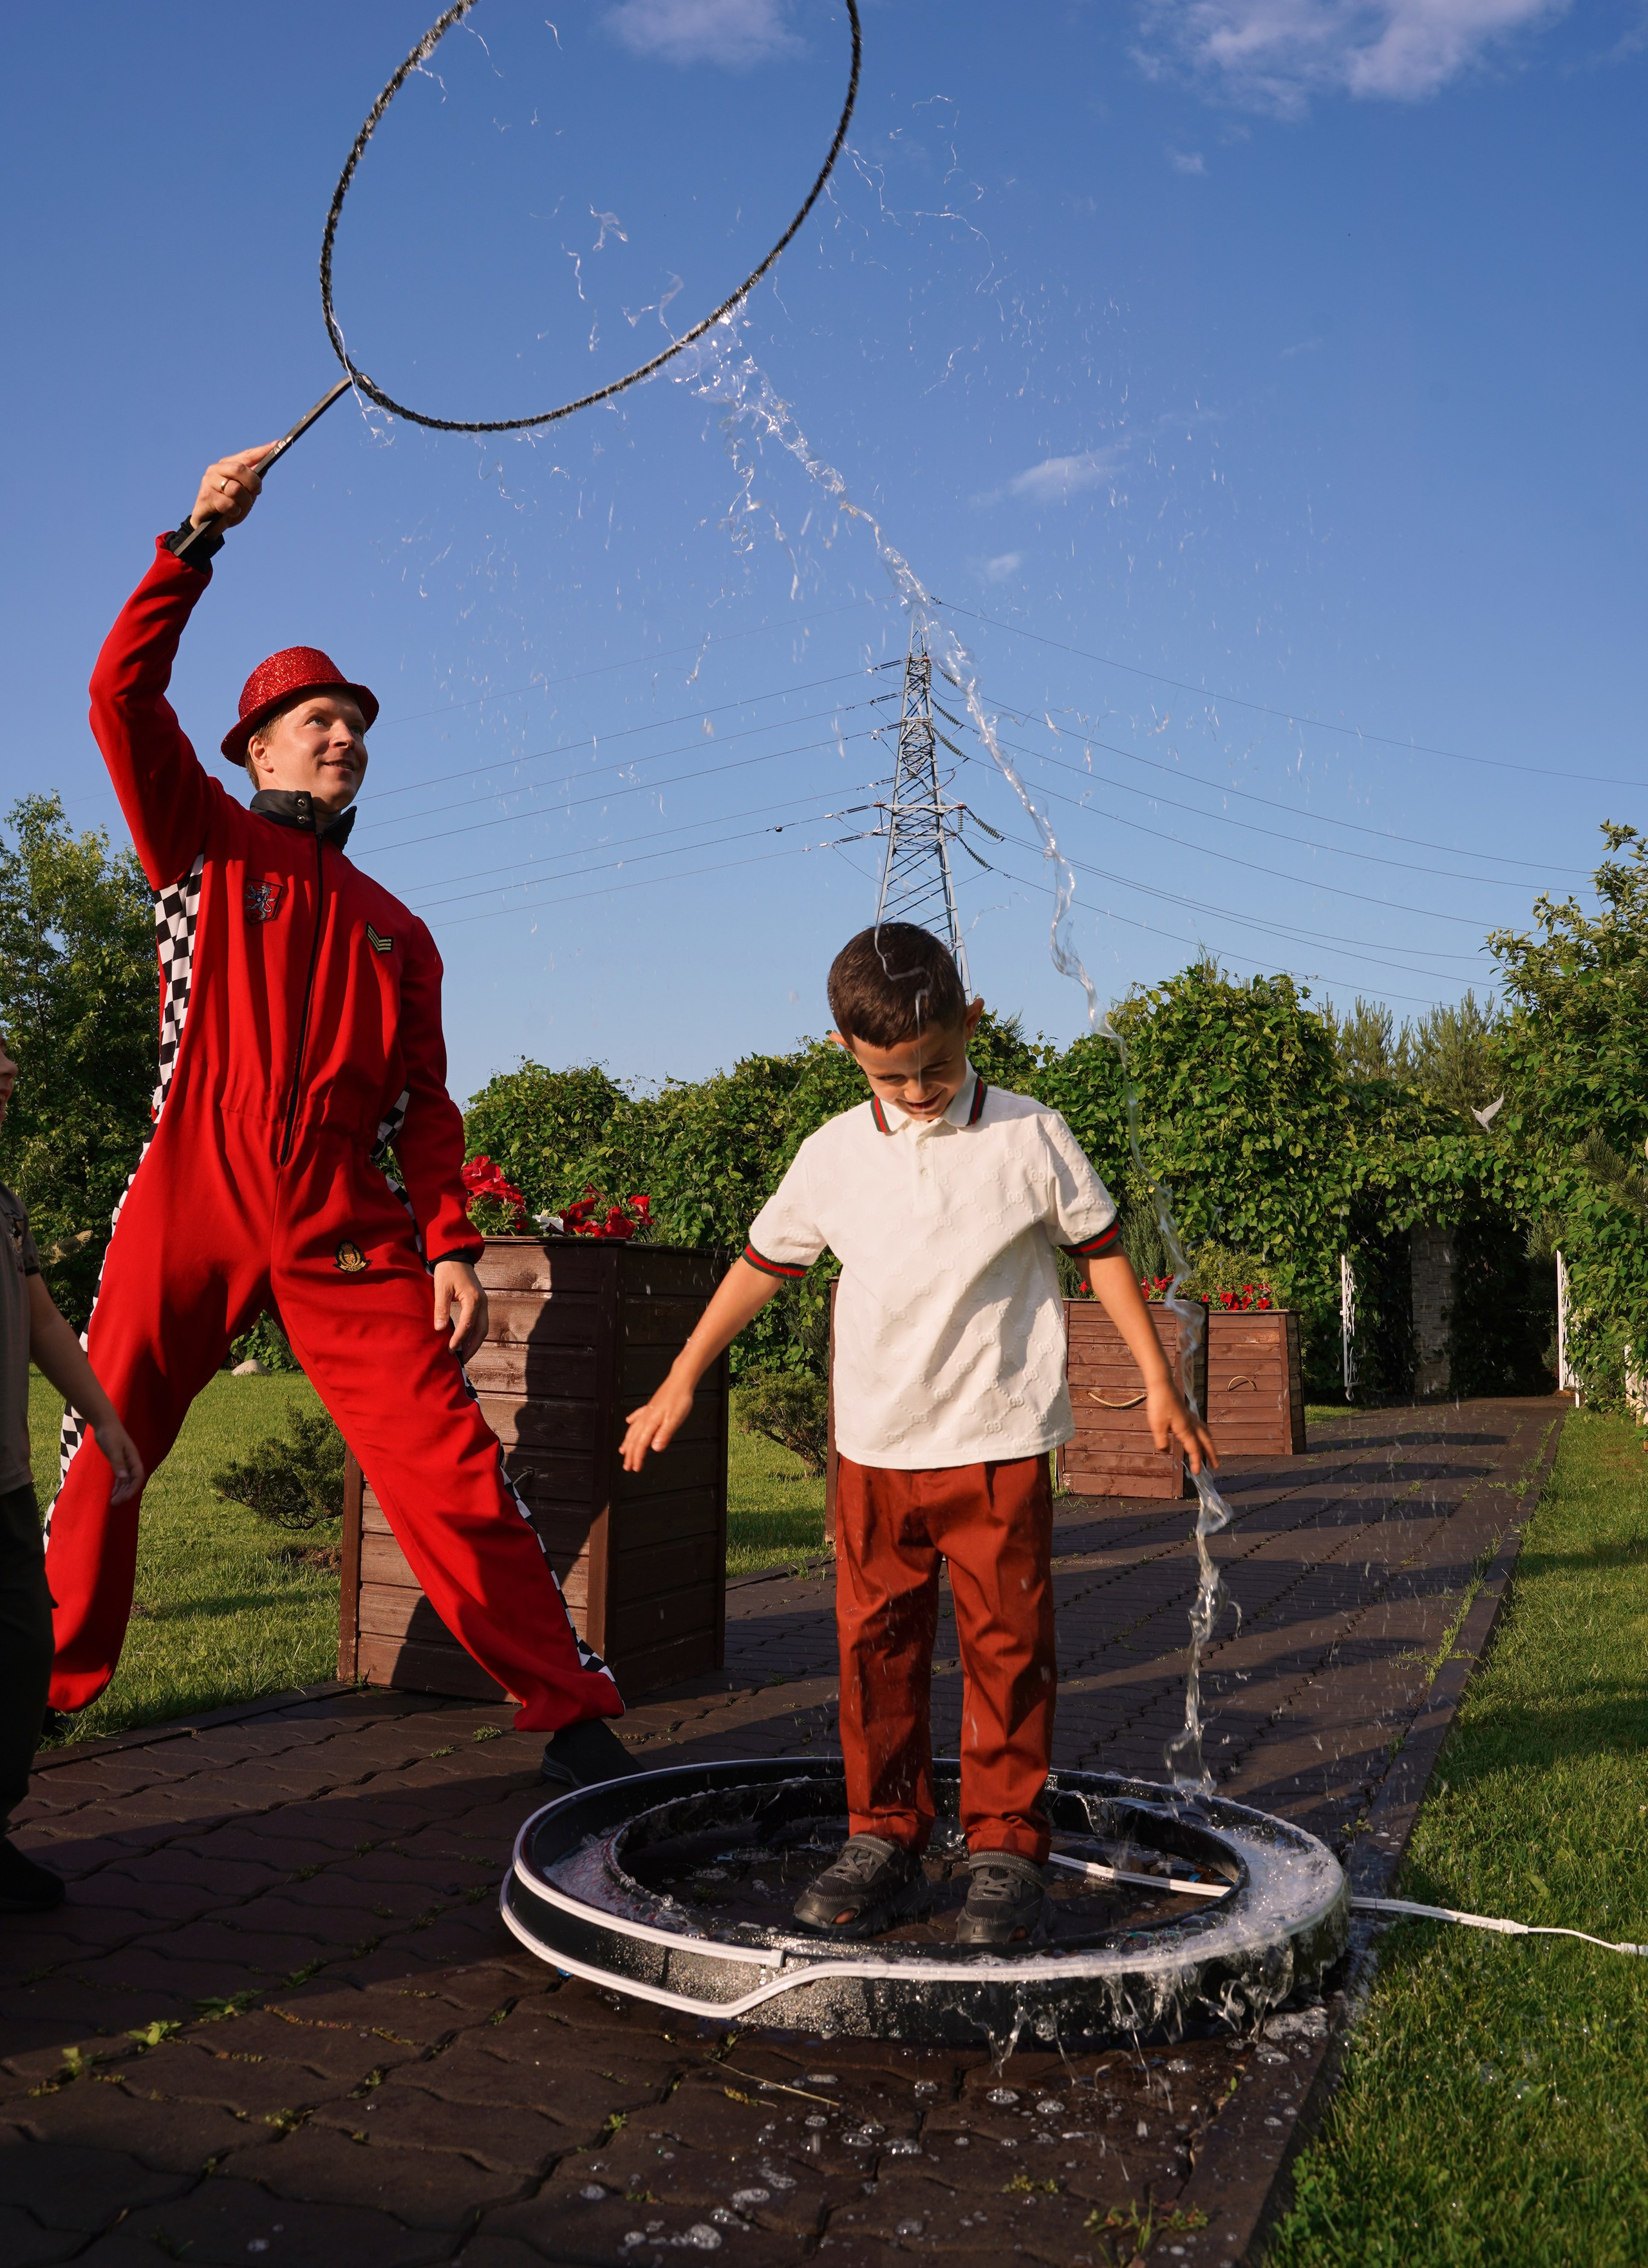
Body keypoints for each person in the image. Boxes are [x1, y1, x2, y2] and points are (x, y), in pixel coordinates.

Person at [42, 448, 637, 1792]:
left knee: (447, 1460)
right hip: (189, 1183)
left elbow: (428, 1109)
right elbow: (116, 695)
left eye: (352, 719)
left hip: (336, 1214)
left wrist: (446, 1243)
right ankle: (27, 1725)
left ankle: (569, 1715)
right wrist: (195, 538)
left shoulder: (399, 933)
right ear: (250, 746)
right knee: (105, 1448)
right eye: (309, 715)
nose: (338, 731)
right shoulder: (195, 839)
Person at [623, 921, 1217, 1947]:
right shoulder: (832, 1156)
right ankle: (884, 1833)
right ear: (848, 1053)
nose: (917, 1092)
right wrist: (681, 1377)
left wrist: (1158, 1380)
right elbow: (762, 1267)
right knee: (875, 1647)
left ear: (971, 1022)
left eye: (935, 1067)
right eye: (892, 1077)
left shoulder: (1032, 1135)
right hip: (876, 1450)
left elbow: (1103, 1255)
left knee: (1007, 1648)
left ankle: (1002, 1847)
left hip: (995, 1442)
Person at [1, 1037, 145, 1911]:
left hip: (7, 1493)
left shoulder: (6, 1207)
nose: (9, 1080)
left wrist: (102, 1412)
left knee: (19, 1662)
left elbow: (44, 1317)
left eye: (11, 1073)